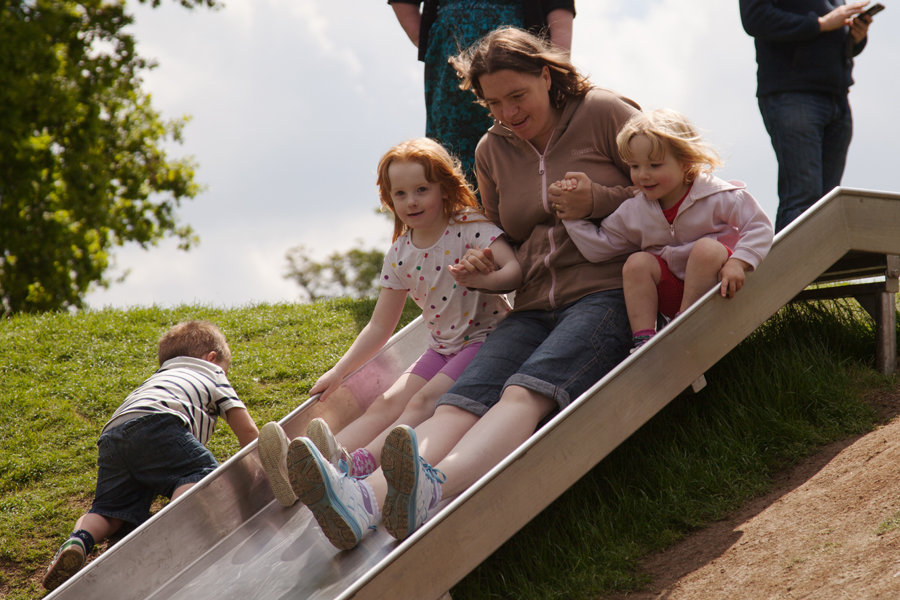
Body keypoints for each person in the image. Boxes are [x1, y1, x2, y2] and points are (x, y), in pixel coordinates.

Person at [272, 27, 640, 552]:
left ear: (547, 74)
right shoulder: (492, 149)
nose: (508, 113)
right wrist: (482, 261)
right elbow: (504, 233)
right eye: (494, 103)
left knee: (523, 392)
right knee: (457, 403)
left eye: (518, 96)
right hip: (532, 304)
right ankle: (365, 502)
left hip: (603, 291)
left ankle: (436, 486)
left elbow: (666, 186)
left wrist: (598, 198)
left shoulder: (604, 112)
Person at [257, 138, 521, 540]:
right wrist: (339, 372)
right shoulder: (400, 253)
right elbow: (380, 327)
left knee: (421, 402)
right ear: (388, 198)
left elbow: (514, 271)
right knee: (386, 402)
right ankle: (316, 468)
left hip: (487, 340)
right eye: (400, 193)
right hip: (442, 347)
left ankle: (353, 468)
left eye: (421, 190)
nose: (411, 201)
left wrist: (483, 280)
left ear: (443, 188)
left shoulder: (469, 227)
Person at [41, 321, 259, 592]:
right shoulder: (211, 371)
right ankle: (170, 529)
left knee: (109, 510)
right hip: (159, 425)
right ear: (212, 358)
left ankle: (79, 540)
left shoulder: (158, 377)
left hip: (112, 435)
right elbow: (247, 430)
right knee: (199, 476)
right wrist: (260, 471)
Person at [557, 109, 774, 351]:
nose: (643, 175)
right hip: (672, 293)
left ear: (686, 162)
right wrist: (571, 216)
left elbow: (759, 226)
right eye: (635, 166)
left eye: (655, 165)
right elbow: (600, 246)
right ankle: (644, 340)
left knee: (706, 250)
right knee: (636, 262)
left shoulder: (716, 195)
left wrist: (738, 263)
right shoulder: (636, 211)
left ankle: (686, 324)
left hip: (719, 286)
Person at [388, 0, 574, 184]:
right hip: (449, 67)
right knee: (453, 157)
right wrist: (426, 39)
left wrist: (557, 63)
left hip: (521, 52)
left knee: (527, 144)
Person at [739, 0, 876, 232]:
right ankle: (789, 269)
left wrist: (855, 36)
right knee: (803, 199)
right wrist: (820, 24)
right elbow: (755, 18)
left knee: (828, 201)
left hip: (836, 95)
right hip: (793, 93)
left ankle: (819, 268)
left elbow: (831, 35)